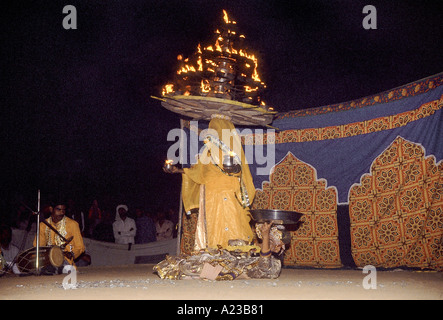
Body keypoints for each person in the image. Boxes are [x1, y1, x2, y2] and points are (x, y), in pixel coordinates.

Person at [164, 117, 256, 250]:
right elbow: (197, 173)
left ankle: (236, 255)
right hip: (210, 197)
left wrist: (233, 168)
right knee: (213, 228)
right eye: (211, 129)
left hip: (229, 195)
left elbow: (240, 173)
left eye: (215, 129)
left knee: (233, 225)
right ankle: (213, 257)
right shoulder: (208, 152)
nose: (212, 132)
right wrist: (176, 170)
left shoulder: (231, 151)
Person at [154, 222, 283, 280]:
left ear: (278, 247)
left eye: (270, 242)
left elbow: (264, 265)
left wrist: (266, 237)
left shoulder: (275, 264)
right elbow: (232, 244)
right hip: (223, 260)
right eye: (266, 240)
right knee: (189, 258)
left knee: (187, 267)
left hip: (226, 270)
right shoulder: (252, 248)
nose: (265, 243)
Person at [33, 199, 85, 273]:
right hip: (47, 261)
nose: (62, 212)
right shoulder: (43, 225)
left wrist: (71, 254)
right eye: (58, 209)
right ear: (51, 209)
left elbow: (80, 247)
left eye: (64, 210)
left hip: (65, 261)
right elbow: (38, 247)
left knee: (64, 267)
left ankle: (55, 269)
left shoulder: (72, 224)